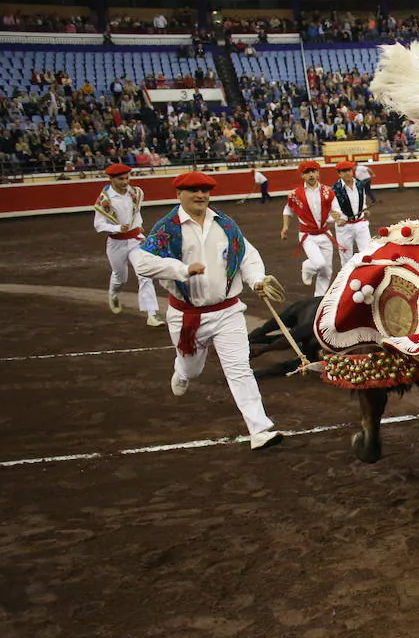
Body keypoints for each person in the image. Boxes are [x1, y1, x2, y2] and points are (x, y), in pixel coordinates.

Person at [131, 171, 282, 450]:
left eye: (204, 190)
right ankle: (182, 371)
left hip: (228, 311)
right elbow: (140, 261)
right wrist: (181, 270)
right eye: (193, 191)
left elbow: (247, 255)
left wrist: (257, 280)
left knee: (239, 369)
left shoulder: (225, 223)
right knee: (192, 368)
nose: (201, 195)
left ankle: (260, 430)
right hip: (186, 315)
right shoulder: (168, 228)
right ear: (179, 194)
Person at [92, 163, 163, 327]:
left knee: (144, 274)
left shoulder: (136, 193)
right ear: (111, 179)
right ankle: (114, 294)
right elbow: (98, 225)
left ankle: (152, 314)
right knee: (120, 276)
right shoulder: (104, 200)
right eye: (121, 179)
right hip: (116, 243)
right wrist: (116, 228)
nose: (125, 182)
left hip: (135, 239)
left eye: (127, 178)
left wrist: (138, 226)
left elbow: (136, 212)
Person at [281, 160, 335, 296]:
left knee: (327, 271)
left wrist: (337, 218)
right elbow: (288, 210)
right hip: (308, 236)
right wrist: (285, 227)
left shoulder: (328, 191)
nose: (311, 175)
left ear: (318, 173)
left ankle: (319, 298)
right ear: (302, 176)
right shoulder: (295, 194)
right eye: (307, 172)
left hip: (325, 234)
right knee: (319, 264)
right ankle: (307, 266)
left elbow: (335, 210)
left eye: (313, 171)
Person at [331, 160, 372, 266]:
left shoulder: (359, 184)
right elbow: (332, 207)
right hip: (344, 227)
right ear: (339, 174)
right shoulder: (335, 189)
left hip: (361, 223)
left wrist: (364, 208)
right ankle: (346, 280)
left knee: (368, 253)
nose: (347, 173)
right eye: (344, 171)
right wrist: (338, 219)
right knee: (346, 258)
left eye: (349, 170)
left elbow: (362, 198)